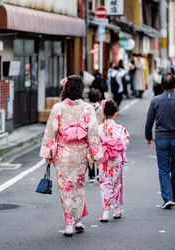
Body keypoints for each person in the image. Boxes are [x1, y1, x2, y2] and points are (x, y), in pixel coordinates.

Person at [39, 75, 103, 237]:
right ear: (81, 89)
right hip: (81, 153)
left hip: (63, 153)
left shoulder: (58, 108)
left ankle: (69, 224)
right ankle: (78, 220)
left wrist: (48, 153)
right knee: (78, 186)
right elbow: (93, 133)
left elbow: (50, 133)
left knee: (65, 187)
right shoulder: (87, 108)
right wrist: (94, 154)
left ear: (65, 88)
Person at [145, 73, 175, 209]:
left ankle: (168, 197)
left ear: (162, 86)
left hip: (161, 140)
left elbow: (149, 121)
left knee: (164, 169)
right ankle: (173, 196)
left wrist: (148, 137)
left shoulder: (155, 101)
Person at [97, 100, 129, 222]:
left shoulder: (99, 128)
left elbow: (95, 144)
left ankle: (106, 212)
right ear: (116, 113)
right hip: (116, 160)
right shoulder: (121, 129)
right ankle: (115, 210)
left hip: (104, 160)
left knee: (105, 184)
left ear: (103, 113)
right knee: (116, 184)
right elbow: (125, 144)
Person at [87, 88, 103, 182]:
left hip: (89, 132)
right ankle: (99, 173)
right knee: (98, 152)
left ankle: (91, 175)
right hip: (99, 132)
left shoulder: (86, 108)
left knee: (90, 154)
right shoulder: (101, 108)